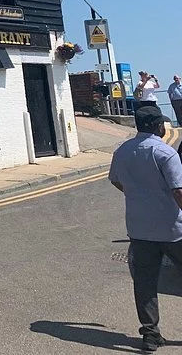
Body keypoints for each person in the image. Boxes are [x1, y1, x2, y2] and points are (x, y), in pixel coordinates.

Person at [109, 105, 182, 351]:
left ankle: (150, 335)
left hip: (139, 228)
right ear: (158, 125)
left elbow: (116, 180)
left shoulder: (122, 151)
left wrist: (138, 195)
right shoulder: (165, 152)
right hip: (172, 229)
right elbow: (178, 190)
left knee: (145, 282)